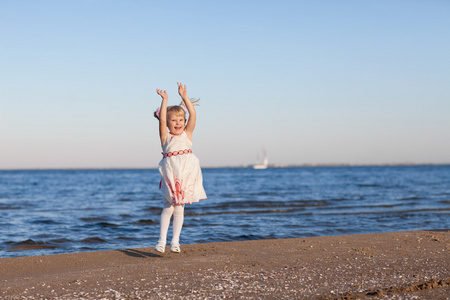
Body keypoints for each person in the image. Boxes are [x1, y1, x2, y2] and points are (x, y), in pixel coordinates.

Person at [153, 82, 207, 253]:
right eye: (174, 120)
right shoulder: (165, 138)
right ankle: (161, 241)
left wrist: (184, 96)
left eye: (181, 120)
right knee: (168, 206)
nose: (178, 123)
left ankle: (175, 242)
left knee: (180, 209)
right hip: (171, 174)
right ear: (168, 123)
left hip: (185, 174)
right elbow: (162, 119)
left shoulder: (187, 134)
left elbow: (193, 113)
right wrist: (165, 99)